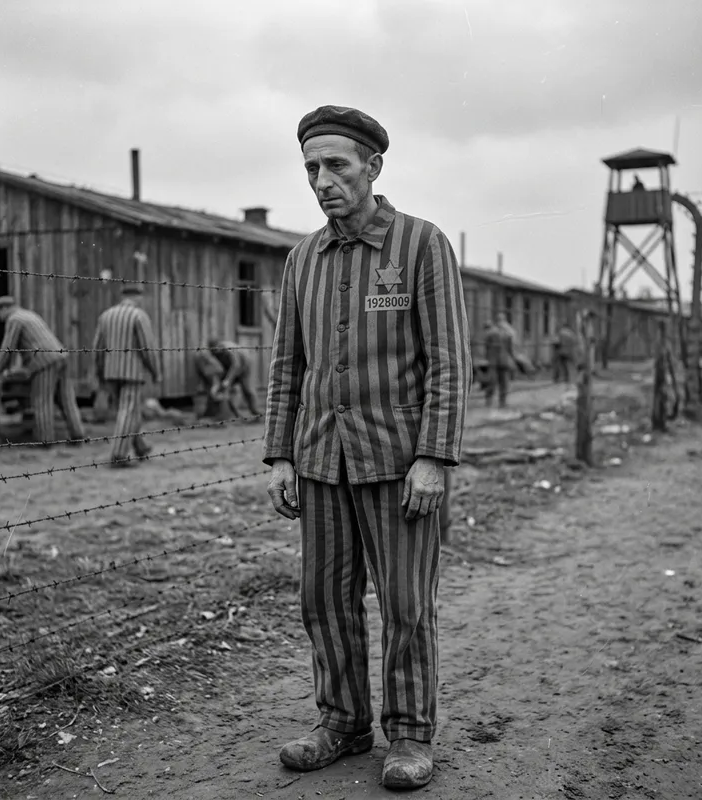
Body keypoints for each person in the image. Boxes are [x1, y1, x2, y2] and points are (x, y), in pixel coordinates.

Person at [263, 105, 471, 790]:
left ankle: (410, 735)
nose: (322, 181)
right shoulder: (302, 259)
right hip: (322, 460)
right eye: (311, 169)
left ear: (374, 168)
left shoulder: (421, 245)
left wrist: (434, 456)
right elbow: (286, 366)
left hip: (398, 465)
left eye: (337, 167)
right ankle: (343, 724)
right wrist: (281, 455)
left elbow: (447, 360)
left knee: (408, 606)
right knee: (323, 600)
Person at [0, 296, 85, 446]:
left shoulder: (14, 319)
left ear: (3, 309)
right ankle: (78, 435)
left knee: (42, 401)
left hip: (43, 361)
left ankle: (45, 440)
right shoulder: (30, 315)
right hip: (60, 356)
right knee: (66, 400)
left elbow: (8, 348)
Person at [93, 284, 159, 467]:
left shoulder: (105, 316)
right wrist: (155, 371)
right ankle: (119, 454)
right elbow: (147, 348)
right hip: (132, 372)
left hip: (110, 371)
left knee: (126, 411)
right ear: (138, 297)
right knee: (128, 411)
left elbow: (97, 347)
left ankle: (141, 446)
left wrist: (99, 372)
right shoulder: (139, 315)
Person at [207, 338, 262, 417]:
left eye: (215, 350)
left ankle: (256, 412)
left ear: (219, 346)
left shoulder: (230, 349)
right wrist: (216, 383)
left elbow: (236, 365)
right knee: (226, 389)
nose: (214, 353)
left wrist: (227, 380)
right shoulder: (214, 352)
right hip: (230, 366)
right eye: (212, 351)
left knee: (247, 389)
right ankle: (235, 414)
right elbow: (217, 368)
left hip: (245, 365)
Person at [483, 312, 515, 408]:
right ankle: (501, 402)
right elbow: (510, 349)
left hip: (495, 361)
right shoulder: (508, 333)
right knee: (501, 382)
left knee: (494, 381)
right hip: (502, 361)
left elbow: (487, 346)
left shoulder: (491, 332)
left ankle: (491, 401)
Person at [192, 347, 225, 418]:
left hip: (212, 372)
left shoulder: (211, 367)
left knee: (213, 389)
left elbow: (214, 383)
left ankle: (213, 412)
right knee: (212, 390)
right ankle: (211, 412)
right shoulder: (208, 361)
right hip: (212, 371)